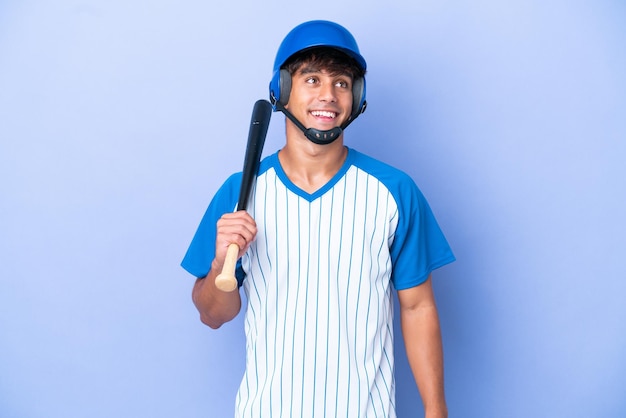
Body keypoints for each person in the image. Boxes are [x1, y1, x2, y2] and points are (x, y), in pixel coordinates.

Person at [182, 20, 455, 418]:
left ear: (356, 96)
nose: (328, 95)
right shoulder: (240, 193)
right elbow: (212, 314)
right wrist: (221, 261)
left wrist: (436, 409)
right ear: (283, 93)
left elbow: (417, 308)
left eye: (342, 83)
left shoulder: (394, 191)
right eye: (311, 79)